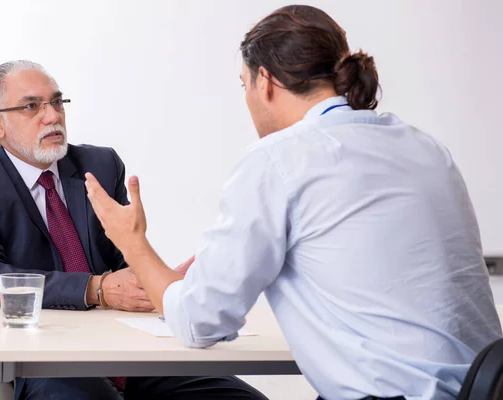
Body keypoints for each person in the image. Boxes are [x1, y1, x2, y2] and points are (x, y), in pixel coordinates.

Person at [84, 5, 503, 400]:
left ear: (264, 81)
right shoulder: (425, 147)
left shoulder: (278, 159)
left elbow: (199, 322)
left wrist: (131, 241)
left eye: (244, 85)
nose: (246, 98)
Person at [0, 60, 267, 400]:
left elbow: (121, 270)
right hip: (32, 360)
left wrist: (155, 279)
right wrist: (95, 288)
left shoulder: (98, 166)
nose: (52, 116)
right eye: (31, 106)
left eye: (56, 102)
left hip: (118, 350)